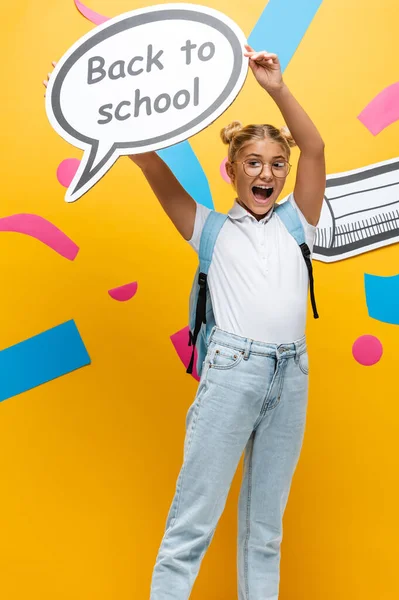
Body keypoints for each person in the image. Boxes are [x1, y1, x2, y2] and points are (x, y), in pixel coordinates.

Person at [44, 43, 325, 600]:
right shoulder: (208, 229)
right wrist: (93, 99)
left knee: (264, 534)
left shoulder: (300, 221)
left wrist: (277, 88)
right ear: (231, 171)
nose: (266, 174)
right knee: (190, 527)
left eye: (276, 165)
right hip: (232, 374)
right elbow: (151, 163)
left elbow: (314, 147)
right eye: (253, 163)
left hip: (291, 377)